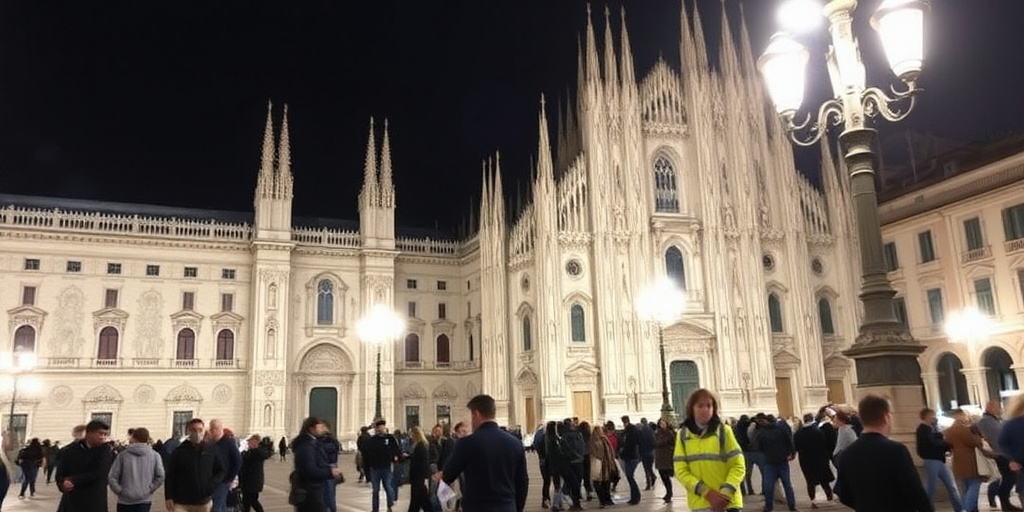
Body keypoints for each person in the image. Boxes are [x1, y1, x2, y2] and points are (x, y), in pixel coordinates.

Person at [835, 394, 932, 512]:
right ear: (886, 417)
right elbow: (915, 491)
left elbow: (843, 493)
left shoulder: (847, 454)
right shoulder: (896, 450)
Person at [436, 394, 528, 512]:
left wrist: (442, 475)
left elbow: (449, 474)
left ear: (476, 413)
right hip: (507, 507)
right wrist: (516, 508)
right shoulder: (516, 443)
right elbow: (522, 482)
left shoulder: (466, 443)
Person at [673, 388, 745, 512]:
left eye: (709, 406)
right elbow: (681, 471)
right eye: (700, 406)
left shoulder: (724, 431)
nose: (705, 409)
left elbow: (738, 466)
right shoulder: (683, 435)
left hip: (728, 504)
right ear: (692, 409)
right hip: (700, 503)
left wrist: (725, 494)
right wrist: (706, 492)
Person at [165, 418, 226, 512]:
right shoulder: (179, 451)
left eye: (200, 430)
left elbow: (221, 470)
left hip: (203, 501)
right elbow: (170, 475)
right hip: (181, 502)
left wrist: (211, 485)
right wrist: (168, 496)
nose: (197, 433)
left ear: (204, 431)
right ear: (188, 431)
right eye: (193, 430)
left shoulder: (211, 450)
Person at [55, 420, 115, 512]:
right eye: (100, 433)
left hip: (94, 501)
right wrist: (62, 484)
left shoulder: (104, 450)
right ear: (88, 433)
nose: (103, 437)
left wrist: (73, 480)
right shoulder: (70, 450)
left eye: (105, 434)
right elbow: (61, 472)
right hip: (72, 500)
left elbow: (100, 472)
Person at [916, 408, 963, 512]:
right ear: (927, 416)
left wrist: (945, 444)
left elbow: (937, 440)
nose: (934, 418)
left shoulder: (932, 428)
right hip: (931, 460)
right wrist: (945, 443)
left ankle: (959, 509)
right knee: (931, 487)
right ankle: (927, 509)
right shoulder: (923, 429)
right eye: (932, 416)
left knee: (952, 486)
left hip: (940, 460)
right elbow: (932, 443)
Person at [291, 417, 344, 512]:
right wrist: (330, 471)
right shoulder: (307, 446)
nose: (322, 430)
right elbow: (310, 470)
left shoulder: (310, 443)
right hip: (311, 490)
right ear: (312, 429)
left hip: (311, 490)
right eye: (320, 427)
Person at [108, 427, 165, 512]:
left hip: (125, 499)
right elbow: (160, 476)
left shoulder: (123, 455)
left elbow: (112, 476)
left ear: (134, 438)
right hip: (144, 498)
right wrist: (150, 489)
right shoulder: (155, 455)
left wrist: (120, 491)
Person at [945, 409, 992, 512]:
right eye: (965, 415)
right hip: (970, 461)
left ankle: (971, 508)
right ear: (960, 416)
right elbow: (976, 442)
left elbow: (948, 445)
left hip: (957, 462)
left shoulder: (948, 431)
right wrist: (978, 437)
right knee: (974, 485)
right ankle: (968, 509)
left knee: (965, 488)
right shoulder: (964, 430)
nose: (967, 417)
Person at [977, 401, 1021, 511]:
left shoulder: (993, 421)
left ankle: (1004, 502)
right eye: (998, 407)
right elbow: (1001, 439)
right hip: (1001, 455)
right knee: (1009, 479)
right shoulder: (986, 421)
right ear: (991, 408)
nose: (1000, 409)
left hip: (1002, 454)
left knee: (1008, 479)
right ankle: (1004, 502)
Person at [793, 414, 834, 509]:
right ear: (812, 419)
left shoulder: (798, 434)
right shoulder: (818, 431)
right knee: (824, 479)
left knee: (810, 481)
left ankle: (813, 501)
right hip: (820, 458)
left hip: (805, 460)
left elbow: (796, 447)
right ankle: (829, 497)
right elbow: (825, 444)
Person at [363, 420, 400, 512]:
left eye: (381, 427)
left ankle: (390, 505)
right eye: (378, 428)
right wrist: (367, 466)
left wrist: (395, 457)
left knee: (388, 486)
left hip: (386, 467)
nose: (379, 429)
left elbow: (396, 450)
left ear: (384, 428)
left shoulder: (390, 438)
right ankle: (375, 509)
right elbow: (367, 453)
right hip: (374, 468)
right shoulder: (372, 440)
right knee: (375, 490)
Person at [208, 421, 242, 512]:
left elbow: (238, 461)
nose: (210, 432)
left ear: (217, 429)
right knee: (222, 507)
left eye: (211, 429)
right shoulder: (214, 443)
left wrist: (230, 477)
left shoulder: (228, 442)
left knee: (216, 507)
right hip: (215, 480)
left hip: (223, 481)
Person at [239, 434, 271, 512]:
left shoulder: (257, 453)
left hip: (253, 482)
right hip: (248, 482)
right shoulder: (249, 452)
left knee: (252, 501)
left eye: (250, 442)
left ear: (255, 442)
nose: (248, 443)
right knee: (246, 502)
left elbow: (247, 464)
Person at [589, 424, 617, 508]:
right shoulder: (605, 439)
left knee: (596, 483)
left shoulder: (593, 441)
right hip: (607, 465)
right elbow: (611, 451)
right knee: (606, 482)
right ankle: (607, 499)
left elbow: (595, 454)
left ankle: (602, 501)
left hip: (598, 465)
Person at [405, 426, 432, 512]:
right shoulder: (420, 445)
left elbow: (420, 461)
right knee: (423, 500)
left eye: (411, 434)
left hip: (418, 476)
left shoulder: (421, 446)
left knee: (416, 499)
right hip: (418, 476)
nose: (410, 436)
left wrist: (409, 457)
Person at [618, 415, 642, 505]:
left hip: (631, 457)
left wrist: (623, 449)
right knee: (630, 477)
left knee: (630, 476)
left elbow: (630, 444)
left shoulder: (631, 431)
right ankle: (634, 497)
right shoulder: (629, 431)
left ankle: (636, 496)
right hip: (630, 456)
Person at [653, 418, 676, 503]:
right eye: (660, 423)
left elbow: (662, 442)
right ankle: (667, 492)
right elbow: (655, 442)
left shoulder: (669, 433)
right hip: (659, 457)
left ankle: (669, 493)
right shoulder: (657, 433)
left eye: (663, 423)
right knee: (662, 476)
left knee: (666, 476)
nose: (662, 425)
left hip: (667, 457)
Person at [320, 426, 341, 512]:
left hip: (328, 469)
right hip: (331, 468)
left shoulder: (328, 443)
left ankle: (330, 509)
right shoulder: (333, 442)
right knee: (330, 492)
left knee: (328, 492)